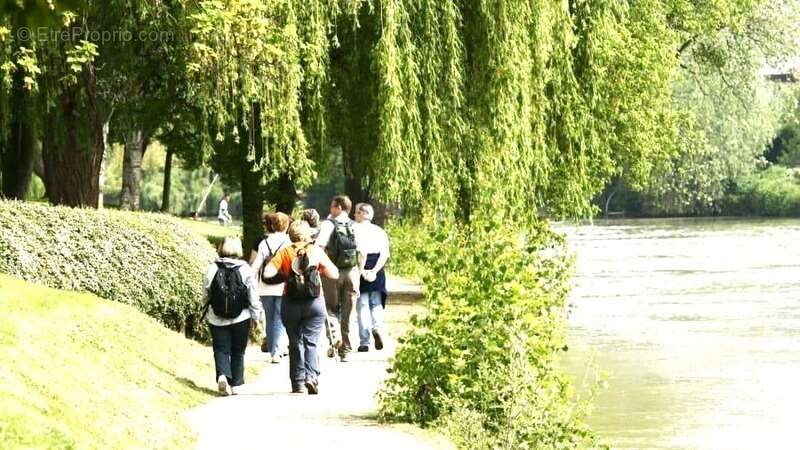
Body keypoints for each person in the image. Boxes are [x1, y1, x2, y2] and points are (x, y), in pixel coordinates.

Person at [262, 221, 339, 394]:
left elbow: (267, 272)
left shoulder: (285, 252)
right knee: (311, 341)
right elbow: (334, 273)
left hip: (290, 302)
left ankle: (298, 383)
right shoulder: (316, 251)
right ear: (307, 235)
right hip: (314, 302)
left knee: (295, 342)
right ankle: (311, 377)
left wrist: (285, 273)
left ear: (291, 235)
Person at [203, 237, 263, 396]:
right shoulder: (245, 268)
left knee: (221, 348)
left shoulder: (213, 267)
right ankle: (236, 384)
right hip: (241, 316)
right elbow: (253, 295)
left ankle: (222, 375)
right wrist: (256, 316)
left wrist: (204, 307)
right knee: (238, 350)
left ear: (221, 248)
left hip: (217, 316)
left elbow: (206, 291)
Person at [315, 195, 360, 361]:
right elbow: (361, 252)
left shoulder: (328, 224)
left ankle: (335, 339)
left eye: (332, 206)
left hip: (332, 272)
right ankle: (346, 350)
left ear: (339, 207)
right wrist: (358, 274)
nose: (330, 209)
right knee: (349, 311)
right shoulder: (355, 225)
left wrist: (319, 267)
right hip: (352, 272)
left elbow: (319, 247)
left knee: (330, 308)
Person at [250, 212, 291, 363]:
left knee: (269, 318)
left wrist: (252, 284)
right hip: (283, 286)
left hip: (264, 286)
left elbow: (255, 267)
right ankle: (277, 351)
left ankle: (273, 350)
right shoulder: (288, 243)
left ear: (272, 225)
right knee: (280, 318)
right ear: (287, 226)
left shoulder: (263, 243)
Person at [353, 203, 390, 352]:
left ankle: (364, 341)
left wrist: (362, 271)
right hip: (377, 266)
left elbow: (357, 253)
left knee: (361, 305)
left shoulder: (353, 229)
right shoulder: (379, 231)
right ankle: (377, 328)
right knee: (376, 303)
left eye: (356, 213)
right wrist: (374, 271)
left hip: (358, 266)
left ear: (362, 214)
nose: (354, 215)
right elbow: (384, 254)